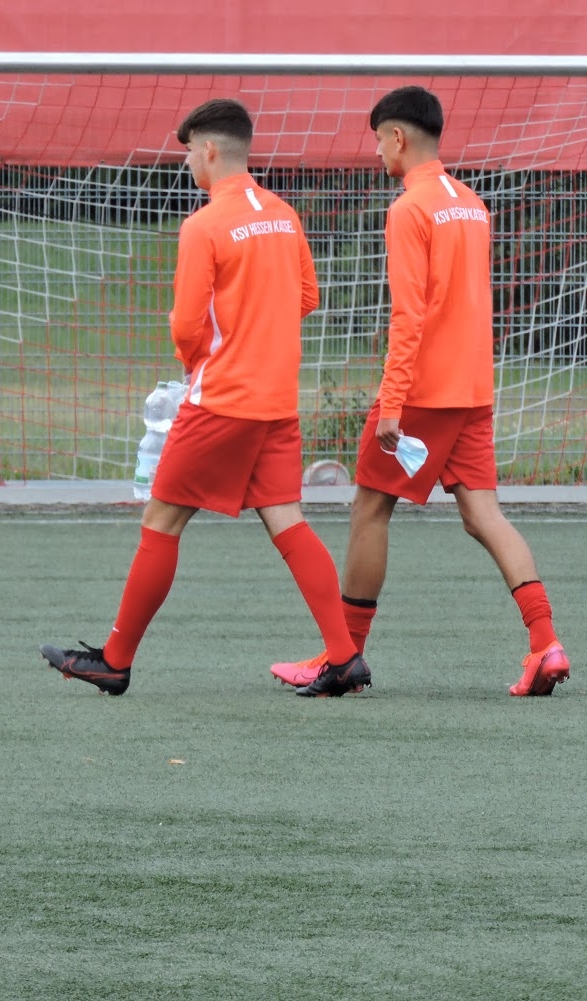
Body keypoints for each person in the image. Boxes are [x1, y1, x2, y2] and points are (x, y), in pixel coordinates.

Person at [40, 98, 370, 699]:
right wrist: (259, 334)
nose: (188, 161)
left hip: (221, 399)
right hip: (276, 400)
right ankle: (345, 657)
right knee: (288, 521)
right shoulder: (283, 214)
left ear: (210, 150)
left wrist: (203, 360)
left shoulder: (204, 225)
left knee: (161, 520)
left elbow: (186, 325)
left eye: (190, 151)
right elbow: (307, 296)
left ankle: (115, 661)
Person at [270, 85, 570, 697]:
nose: (378, 152)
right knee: (484, 516)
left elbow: (410, 315)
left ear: (398, 137)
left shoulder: (410, 208)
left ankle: (344, 658)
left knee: (369, 510)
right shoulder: (472, 203)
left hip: (424, 392)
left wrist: (392, 401)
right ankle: (546, 643)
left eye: (379, 140)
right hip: (473, 389)